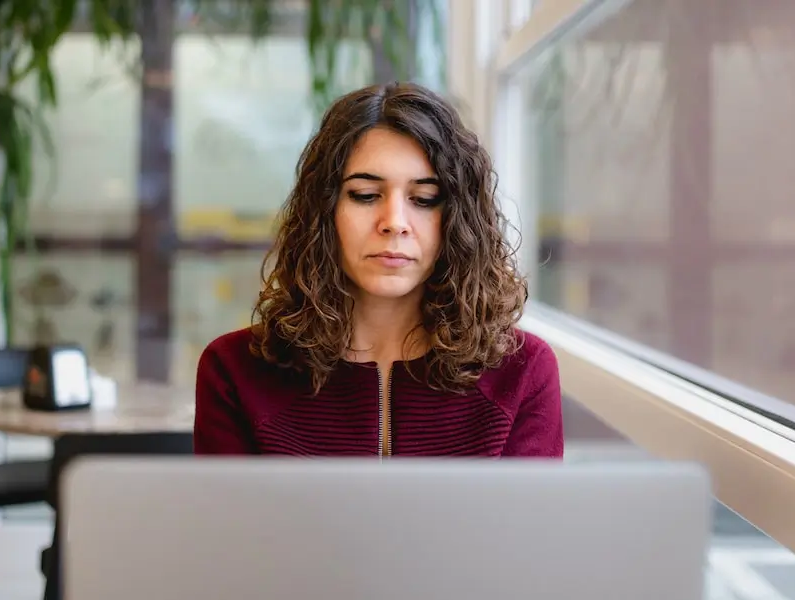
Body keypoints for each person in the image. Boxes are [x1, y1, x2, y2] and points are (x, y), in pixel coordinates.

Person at [194, 82, 563, 458]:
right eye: (365, 195)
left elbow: (533, 518)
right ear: (324, 211)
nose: (394, 222)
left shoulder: (523, 371)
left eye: (424, 199)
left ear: (457, 221)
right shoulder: (233, 371)